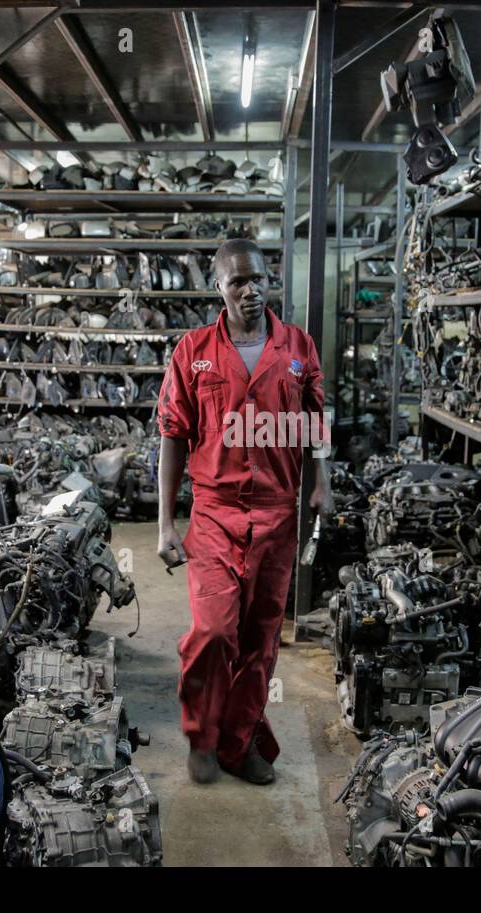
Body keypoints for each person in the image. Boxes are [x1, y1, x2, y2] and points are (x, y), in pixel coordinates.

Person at [156, 237, 333, 785]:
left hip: (279, 515)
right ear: (219, 288)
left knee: (260, 640)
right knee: (213, 632)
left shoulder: (298, 347)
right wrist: (166, 521)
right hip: (214, 513)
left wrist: (322, 478)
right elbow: (172, 435)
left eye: (258, 278)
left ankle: (237, 744)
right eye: (238, 281)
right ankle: (202, 737)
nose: (251, 289)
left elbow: (316, 422)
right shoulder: (193, 351)